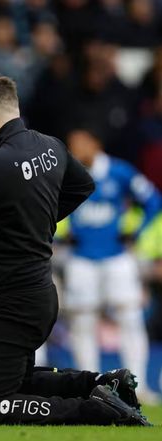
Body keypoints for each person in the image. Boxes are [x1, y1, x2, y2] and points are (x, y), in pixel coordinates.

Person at [0, 76, 150, 426]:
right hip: (37, 291)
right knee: (15, 382)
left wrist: (21, 222)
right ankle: (101, 383)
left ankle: (96, 411)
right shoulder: (50, 147)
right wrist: (38, 223)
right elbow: (83, 185)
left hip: (7, 298)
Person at [63, 127, 161, 404]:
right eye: (72, 144)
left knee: (129, 318)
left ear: (95, 142)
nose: (76, 150)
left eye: (80, 143)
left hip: (117, 257)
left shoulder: (120, 172)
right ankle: (90, 386)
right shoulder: (68, 175)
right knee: (82, 322)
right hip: (80, 258)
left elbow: (152, 200)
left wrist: (136, 231)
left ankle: (138, 386)